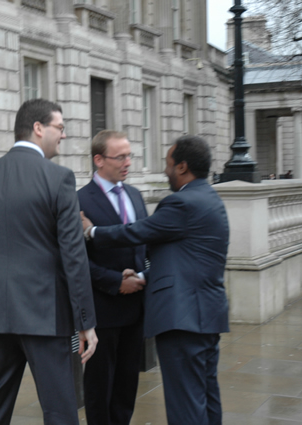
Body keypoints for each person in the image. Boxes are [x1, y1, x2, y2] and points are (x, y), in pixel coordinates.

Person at [0, 98, 98, 424]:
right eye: (59, 127)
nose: (63, 135)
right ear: (38, 128)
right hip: (44, 314)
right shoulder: (59, 178)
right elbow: (73, 255)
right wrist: (85, 321)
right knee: (59, 409)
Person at [81, 135, 230, 425]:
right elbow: (180, 257)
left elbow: (139, 234)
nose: (165, 170)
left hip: (181, 318)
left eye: (168, 164)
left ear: (182, 167)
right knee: (205, 397)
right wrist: (134, 277)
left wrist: (92, 231)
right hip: (193, 315)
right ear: (99, 160)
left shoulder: (177, 202)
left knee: (185, 405)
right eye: (121, 156)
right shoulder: (210, 198)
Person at [78, 130, 147, 425]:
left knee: (126, 387)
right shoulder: (79, 200)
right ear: (99, 160)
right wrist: (114, 281)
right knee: (99, 390)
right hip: (102, 311)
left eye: (129, 156)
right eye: (120, 157)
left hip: (136, 311)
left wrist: (142, 276)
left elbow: (147, 245)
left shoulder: (135, 195)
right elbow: (75, 261)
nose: (127, 162)